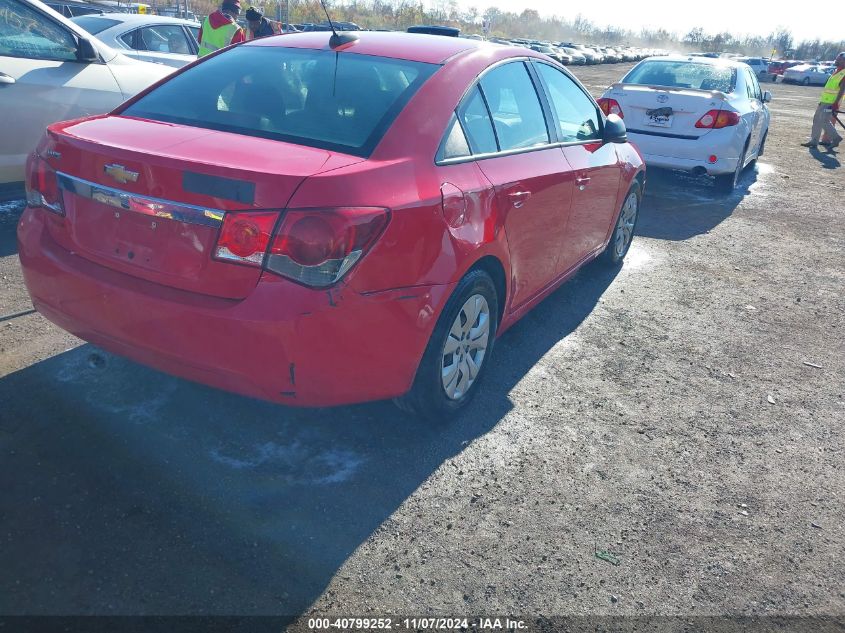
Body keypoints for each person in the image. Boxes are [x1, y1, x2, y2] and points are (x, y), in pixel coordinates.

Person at [802, 52, 845, 149]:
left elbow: (842, 91)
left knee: (824, 120)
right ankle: (814, 141)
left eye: (839, 59)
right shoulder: (837, 71)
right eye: (837, 58)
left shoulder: (843, 73)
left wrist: (835, 103)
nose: (836, 60)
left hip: (831, 102)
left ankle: (836, 138)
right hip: (824, 101)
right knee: (817, 119)